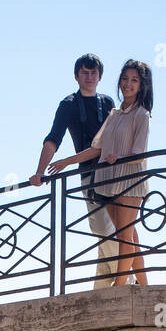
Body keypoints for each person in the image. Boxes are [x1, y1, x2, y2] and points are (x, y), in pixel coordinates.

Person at [48, 59, 152, 286]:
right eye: (125, 79)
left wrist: (118, 158)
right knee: (129, 236)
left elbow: (140, 153)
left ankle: (121, 283)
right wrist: (66, 161)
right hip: (109, 181)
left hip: (129, 180)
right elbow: (97, 148)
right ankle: (144, 285)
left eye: (134, 80)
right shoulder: (114, 113)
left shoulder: (141, 115)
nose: (128, 84)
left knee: (123, 234)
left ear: (142, 85)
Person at [30, 54, 118, 286]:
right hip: (90, 175)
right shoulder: (68, 104)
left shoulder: (108, 103)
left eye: (93, 73)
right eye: (84, 73)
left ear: (100, 76)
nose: (89, 77)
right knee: (101, 227)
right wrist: (39, 172)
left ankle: (104, 289)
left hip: (116, 173)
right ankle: (124, 281)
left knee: (112, 230)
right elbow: (53, 139)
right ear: (76, 76)